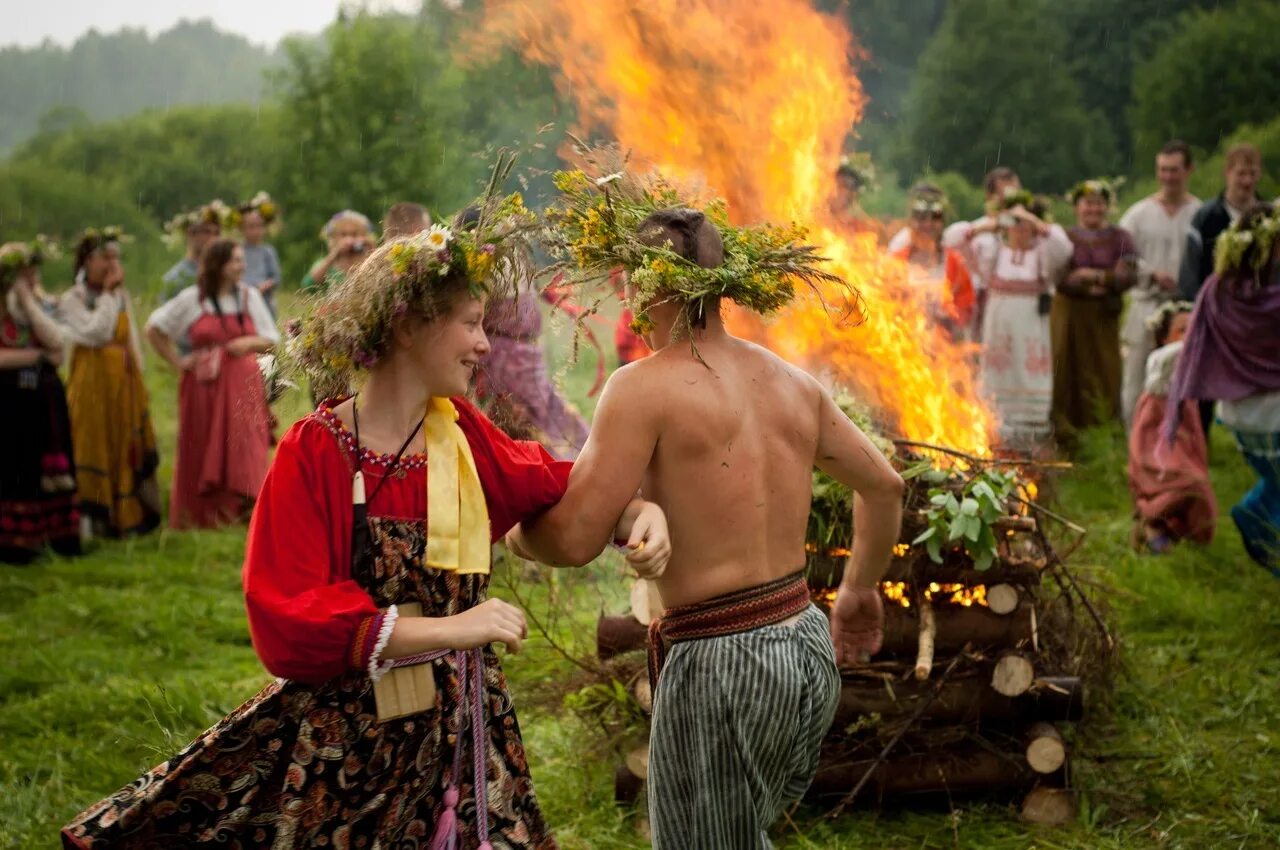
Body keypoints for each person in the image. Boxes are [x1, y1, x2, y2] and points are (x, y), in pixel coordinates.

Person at [62, 185, 671, 849]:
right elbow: (287, 611)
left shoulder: (460, 434)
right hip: (353, 749)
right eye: (470, 323)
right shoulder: (316, 451)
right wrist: (449, 627)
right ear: (409, 327)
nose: (484, 345)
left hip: (461, 733)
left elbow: (553, 483)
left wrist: (637, 510)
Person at [512, 168, 905, 849]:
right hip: (806, 645)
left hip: (722, 665)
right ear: (722, 282)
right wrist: (859, 590)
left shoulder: (642, 389)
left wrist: (514, 529)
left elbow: (574, 540)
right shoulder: (791, 383)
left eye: (630, 276)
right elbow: (886, 488)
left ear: (646, 284)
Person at [1167, 203, 1280, 575]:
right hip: (1272, 414)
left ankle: (1257, 514)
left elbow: (1200, 341)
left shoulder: (1222, 289)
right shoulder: (1269, 300)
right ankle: (1255, 515)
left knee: (1275, 479)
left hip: (1240, 417)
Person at [147, 239, 278, 529]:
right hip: (205, 387)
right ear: (218, 265)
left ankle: (245, 510)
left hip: (244, 386)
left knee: (246, 445)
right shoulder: (193, 298)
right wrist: (178, 361)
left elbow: (271, 338)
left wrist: (247, 342)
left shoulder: (249, 297)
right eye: (235, 260)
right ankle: (203, 514)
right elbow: (154, 328)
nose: (241, 266)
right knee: (204, 444)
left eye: (242, 260)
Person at [58, 227, 161, 538]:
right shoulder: (71, 299)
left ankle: (126, 517)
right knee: (91, 444)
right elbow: (96, 334)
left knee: (123, 443)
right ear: (87, 261)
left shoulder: (119, 296)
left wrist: (139, 381)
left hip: (122, 385)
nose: (113, 266)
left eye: (116, 258)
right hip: (90, 386)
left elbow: (129, 339)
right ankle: (94, 519)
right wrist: (106, 295)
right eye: (106, 258)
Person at [959, 191, 1071, 449]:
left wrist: (1033, 220)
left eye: (1024, 224)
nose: (1019, 229)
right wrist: (995, 222)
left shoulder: (1043, 254)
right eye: (1014, 224)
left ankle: (1030, 436)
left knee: (1028, 372)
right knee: (997, 376)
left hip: (1031, 326)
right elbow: (955, 238)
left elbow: (1064, 249)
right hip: (999, 327)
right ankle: (994, 429)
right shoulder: (993, 251)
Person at [0, 239, 80, 564]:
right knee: (12, 466)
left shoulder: (40, 305)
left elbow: (58, 349)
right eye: (21, 275)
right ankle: (14, 543)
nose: (30, 279)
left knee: (43, 465)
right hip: (7, 400)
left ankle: (53, 536)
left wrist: (28, 302)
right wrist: (33, 356)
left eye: (32, 273)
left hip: (43, 399)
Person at [1178, 143, 1266, 439]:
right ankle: (1198, 447)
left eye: (1252, 173)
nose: (1246, 180)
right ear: (1228, 173)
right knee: (1204, 384)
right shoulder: (1206, 217)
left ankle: (1259, 442)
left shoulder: (1268, 217)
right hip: (1213, 313)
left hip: (1256, 316)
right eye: (1241, 173)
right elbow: (1190, 268)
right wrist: (1190, 307)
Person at [1118, 141, 1201, 426]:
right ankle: (1137, 442)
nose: (1168, 176)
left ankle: (1179, 444)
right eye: (1163, 170)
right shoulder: (1138, 214)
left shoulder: (1199, 213)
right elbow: (1122, 257)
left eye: (1174, 170)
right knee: (1137, 376)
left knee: (1182, 376)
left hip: (1185, 309)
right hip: (1146, 304)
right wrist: (1150, 273)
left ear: (1188, 170)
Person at [1052, 178, 1138, 447]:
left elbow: (1127, 275)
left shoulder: (1120, 237)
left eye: (1099, 203)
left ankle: (1105, 435)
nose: (1093, 209)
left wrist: (1093, 276)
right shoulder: (1065, 238)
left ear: (1107, 206)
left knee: (1106, 372)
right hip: (1070, 318)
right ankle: (1067, 436)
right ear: (1077, 206)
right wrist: (1099, 280)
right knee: (1068, 371)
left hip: (1104, 318)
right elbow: (1060, 277)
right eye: (1088, 204)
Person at [1126, 301, 1216, 553]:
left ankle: (1170, 531)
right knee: (1185, 482)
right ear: (1164, 338)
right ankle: (1149, 519)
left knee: (1196, 488)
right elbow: (1180, 353)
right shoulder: (1160, 361)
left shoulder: (1189, 365)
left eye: (1192, 329)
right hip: (1157, 436)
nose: (1188, 337)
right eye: (1181, 330)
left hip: (1183, 432)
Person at [888, 182, 975, 337]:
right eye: (921, 218)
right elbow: (884, 303)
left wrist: (950, 317)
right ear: (911, 221)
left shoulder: (954, 262)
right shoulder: (897, 261)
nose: (928, 224)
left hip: (943, 346)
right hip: (903, 343)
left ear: (942, 223)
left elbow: (965, 305)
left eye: (935, 218)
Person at [161, 202, 226, 301]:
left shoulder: (224, 274)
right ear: (190, 233)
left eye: (216, 233)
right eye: (206, 232)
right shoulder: (174, 278)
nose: (213, 239)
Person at [302, 209, 375, 293]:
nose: (349, 239)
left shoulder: (368, 260)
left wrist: (372, 250)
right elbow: (307, 286)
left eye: (354, 234)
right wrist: (334, 255)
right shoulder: (328, 264)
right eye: (343, 235)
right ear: (334, 237)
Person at [237, 191, 284, 317]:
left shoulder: (268, 251)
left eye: (259, 226)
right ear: (242, 228)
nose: (256, 231)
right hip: (242, 304)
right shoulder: (237, 250)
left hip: (264, 304)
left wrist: (265, 286)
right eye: (251, 226)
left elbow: (276, 277)